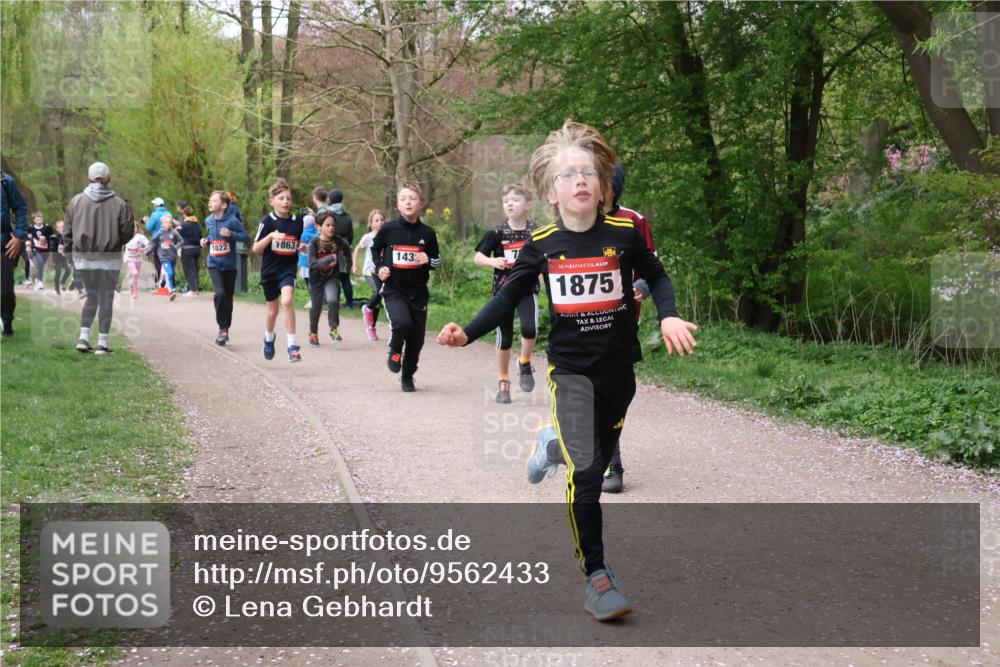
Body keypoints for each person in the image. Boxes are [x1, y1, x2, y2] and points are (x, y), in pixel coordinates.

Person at [436, 120, 698, 621]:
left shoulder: (623, 234)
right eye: (568, 174)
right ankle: (596, 576)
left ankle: (550, 443)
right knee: (587, 473)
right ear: (551, 191)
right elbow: (511, 295)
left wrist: (667, 315)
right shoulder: (542, 243)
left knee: (594, 452)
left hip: (620, 370)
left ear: (601, 187)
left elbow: (657, 276)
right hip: (571, 372)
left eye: (588, 173)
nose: (580, 180)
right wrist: (467, 333)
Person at [601, 164, 658, 493]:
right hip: (580, 322)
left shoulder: (633, 220)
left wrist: (643, 285)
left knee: (610, 386)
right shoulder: (577, 221)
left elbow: (652, 263)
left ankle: (612, 462)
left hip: (622, 317)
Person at [473, 183, 538, 404]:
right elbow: (478, 257)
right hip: (503, 291)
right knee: (505, 338)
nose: (510, 203)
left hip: (528, 289)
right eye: (506, 201)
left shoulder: (535, 231)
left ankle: (524, 361)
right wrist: (492, 260)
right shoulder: (497, 232)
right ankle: (503, 381)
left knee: (530, 329)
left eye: (515, 199)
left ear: (528, 205)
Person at [371, 183, 440, 392]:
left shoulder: (427, 233)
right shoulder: (389, 229)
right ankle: (394, 349)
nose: (408, 201)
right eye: (404, 198)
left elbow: (437, 260)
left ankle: (407, 377)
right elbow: (375, 251)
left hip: (418, 293)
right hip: (394, 289)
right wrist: (380, 267)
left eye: (412, 198)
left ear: (420, 204)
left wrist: (427, 259)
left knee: (417, 339)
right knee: (402, 323)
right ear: (398, 204)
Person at [65, 162, 134, 354]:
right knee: (106, 299)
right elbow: (128, 232)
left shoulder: (76, 202)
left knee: (91, 298)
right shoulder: (120, 204)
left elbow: (68, 233)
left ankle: (83, 338)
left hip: (84, 258)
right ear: (108, 178)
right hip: (109, 258)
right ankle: (102, 343)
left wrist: (70, 255)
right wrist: (115, 241)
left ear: (89, 178)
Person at [252, 178, 303, 362]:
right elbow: (256, 248)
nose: (285, 202)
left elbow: (296, 243)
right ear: (271, 201)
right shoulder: (267, 221)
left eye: (288, 198)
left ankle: (292, 346)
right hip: (270, 272)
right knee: (272, 312)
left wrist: (301, 247)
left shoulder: (298, 222)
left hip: (288, 270)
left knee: (287, 301)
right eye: (281, 198)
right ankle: (268, 338)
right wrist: (271, 236)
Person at [201, 190, 249, 346]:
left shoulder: (232, 221)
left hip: (229, 265)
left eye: (214, 201)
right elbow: (212, 237)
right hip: (213, 263)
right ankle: (222, 328)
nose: (210, 202)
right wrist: (205, 241)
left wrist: (231, 234)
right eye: (210, 200)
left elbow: (245, 237)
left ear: (223, 205)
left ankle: (225, 328)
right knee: (220, 294)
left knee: (227, 297)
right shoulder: (208, 220)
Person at [306, 215, 350, 346]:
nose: (332, 228)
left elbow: (348, 252)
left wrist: (348, 266)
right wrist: (330, 258)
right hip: (316, 280)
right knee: (316, 307)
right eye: (328, 225)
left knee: (333, 300)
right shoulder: (313, 243)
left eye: (333, 225)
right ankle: (313, 333)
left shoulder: (338, 241)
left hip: (332, 277)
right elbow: (312, 264)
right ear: (319, 227)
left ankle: (333, 328)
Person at [1, 168, 29, 337]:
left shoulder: (6, 182)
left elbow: (21, 208)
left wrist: (19, 236)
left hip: (3, 242)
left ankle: (7, 321)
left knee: (4, 289)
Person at [353, 209, 386, 341]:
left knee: (379, 298)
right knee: (378, 291)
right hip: (370, 271)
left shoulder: (388, 237)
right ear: (371, 224)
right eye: (377, 221)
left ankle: (371, 327)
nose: (380, 223)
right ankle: (367, 307)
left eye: (382, 220)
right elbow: (357, 249)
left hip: (382, 271)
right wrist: (355, 265)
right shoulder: (368, 237)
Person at [328, 188, 355, 308]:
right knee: (345, 278)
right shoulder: (347, 215)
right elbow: (351, 235)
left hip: (331, 246)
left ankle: (334, 302)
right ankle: (349, 303)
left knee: (333, 277)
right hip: (344, 247)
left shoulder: (328, 214)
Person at [153, 214, 183, 301]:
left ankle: (163, 279)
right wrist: (148, 250)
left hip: (172, 256)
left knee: (170, 273)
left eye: (169, 222)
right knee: (170, 273)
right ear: (163, 223)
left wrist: (176, 246)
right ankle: (171, 292)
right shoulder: (159, 233)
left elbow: (181, 240)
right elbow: (154, 243)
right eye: (166, 222)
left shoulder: (174, 232)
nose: (168, 224)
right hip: (163, 256)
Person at [177, 202, 202, 296]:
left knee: (189, 270)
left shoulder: (185, 225)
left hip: (187, 250)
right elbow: (200, 236)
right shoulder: (197, 224)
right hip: (197, 249)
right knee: (195, 269)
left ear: (184, 214)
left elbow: (179, 236)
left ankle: (192, 290)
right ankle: (196, 288)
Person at [26, 212, 54, 291]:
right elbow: (27, 236)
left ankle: (37, 279)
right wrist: (28, 241)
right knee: (40, 263)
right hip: (36, 249)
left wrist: (45, 239)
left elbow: (53, 237)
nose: (39, 221)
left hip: (45, 250)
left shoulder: (47, 227)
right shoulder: (31, 228)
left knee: (41, 265)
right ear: (34, 220)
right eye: (37, 219)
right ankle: (40, 282)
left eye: (41, 219)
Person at [144, 197, 168, 287]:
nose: (153, 205)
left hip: (157, 241)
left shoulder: (154, 214)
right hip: (167, 240)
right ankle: (167, 282)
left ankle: (158, 282)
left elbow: (149, 228)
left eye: (153, 204)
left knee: (158, 261)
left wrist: (147, 221)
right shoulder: (168, 213)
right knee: (166, 261)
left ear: (156, 205)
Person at [122, 223, 149, 299]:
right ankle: (135, 291)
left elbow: (149, 244)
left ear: (137, 229)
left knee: (135, 277)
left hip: (138, 259)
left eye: (134, 227)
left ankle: (132, 285)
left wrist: (143, 249)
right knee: (135, 272)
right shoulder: (125, 237)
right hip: (129, 259)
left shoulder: (140, 237)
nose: (133, 229)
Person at [51, 220, 72, 295]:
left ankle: (62, 282)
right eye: (60, 227)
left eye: (63, 227)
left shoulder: (67, 235)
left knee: (68, 270)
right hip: (56, 258)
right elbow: (53, 248)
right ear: (57, 229)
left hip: (64, 258)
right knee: (58, 272)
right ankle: (57, 290)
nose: (62, 228)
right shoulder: (54, 237)